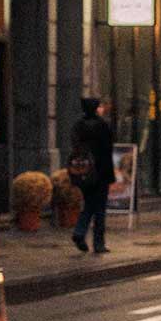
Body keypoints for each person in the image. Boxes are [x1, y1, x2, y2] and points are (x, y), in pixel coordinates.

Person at [70, 96, 114, 255]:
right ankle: (98, 243)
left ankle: (79, 232)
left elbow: (74, 146)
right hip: (101, 173)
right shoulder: (102, 125)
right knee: (100, 209)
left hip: (84, 171)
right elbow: (108, 148)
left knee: (88, 204)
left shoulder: (78, 125)